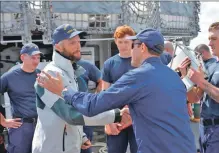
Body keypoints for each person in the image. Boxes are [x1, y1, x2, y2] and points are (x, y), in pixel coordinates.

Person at [37, 28, 197, 153]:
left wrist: (64, 90)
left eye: (133, 45)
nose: (129, 51)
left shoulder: (139, 76)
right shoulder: (173, 76)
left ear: (141, 47)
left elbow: (92, 106)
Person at [32, 24, 131, 153]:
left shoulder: (71, 72)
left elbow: (74, 109)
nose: (78, 46)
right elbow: (72, 114)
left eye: (78, 41)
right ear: (57, 46)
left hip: (68, 146)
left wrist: (81, 136)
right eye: (72, 43)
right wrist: (116, 115)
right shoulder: (50, 75)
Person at [181, 20, 219, 153]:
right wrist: (186, 78)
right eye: (209, 39)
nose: (209, 43)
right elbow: (194, 98)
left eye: (214, 38)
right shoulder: (211, 66)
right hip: (205, 128)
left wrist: (201, 82)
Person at [0, 43, 42, 153]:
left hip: (41, 126)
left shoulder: (41, 76)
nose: (36, 61)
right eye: (33, 57)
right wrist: (3, 121)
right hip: (21, 128)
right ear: (23, 57)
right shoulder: (9, 77)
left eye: (38, 57)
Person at [101, 25, 137, 153]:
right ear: (115, 41)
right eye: (120, 42)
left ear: (133, 41)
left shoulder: (141, 62)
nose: (123, 45)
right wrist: (108, 121)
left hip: (138, 117)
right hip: (116, 117)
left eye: (126, 42)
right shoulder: (109, 64)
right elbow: (105, 93)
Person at [76, 59, 102, 153]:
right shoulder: (56, 68)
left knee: (86, 146)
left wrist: (94, 99)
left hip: (84, 111)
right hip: (66, 111)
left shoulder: (86, 65)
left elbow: (101, 81)